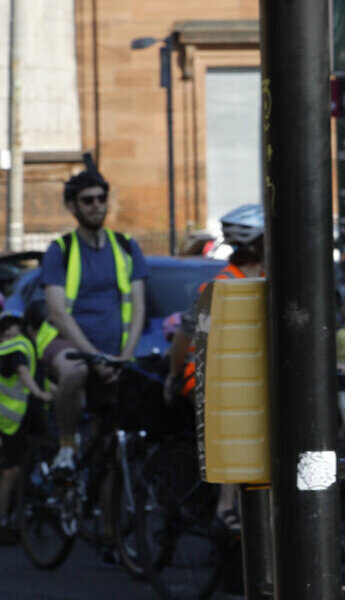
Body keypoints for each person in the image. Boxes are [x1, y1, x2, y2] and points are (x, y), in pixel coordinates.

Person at [38, 164, 148, 473]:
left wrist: (125, 356)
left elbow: (139, 306)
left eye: (101, 198)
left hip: (113, 351)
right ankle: (66, 447)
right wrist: (94, 356)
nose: (97, 205)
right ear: (72, 206)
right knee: (74, 371)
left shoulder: (127, 246)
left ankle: (107, 516)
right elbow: (58, 312)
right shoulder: (60, 250)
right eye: (88, 200)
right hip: (68, 344)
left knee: (110, 452)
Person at [170, 203, 267, 531]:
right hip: (205, 379)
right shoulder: (221, 284)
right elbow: (184, 338)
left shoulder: (272, 281)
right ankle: (227, 508)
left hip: (251, 378)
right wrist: (172, 378)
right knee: (238, 412)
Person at [0, 304, 50, 541]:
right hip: (12, 419)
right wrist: (40, 394)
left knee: (24, 467)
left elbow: (39, 378)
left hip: (23, 418)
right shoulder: (19, 347)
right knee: (12, 471)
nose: (11, 338)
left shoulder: (30, 348)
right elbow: (23, 373)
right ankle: (3, 521)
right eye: (7, 334)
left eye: (14, 333)